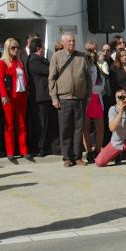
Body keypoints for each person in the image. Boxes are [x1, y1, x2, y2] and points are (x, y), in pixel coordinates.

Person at [49, 32, 92, 167]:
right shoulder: (56, 57)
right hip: (64, 99)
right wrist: (54, 97)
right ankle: (67, 157)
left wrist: (88, 95)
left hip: (80, 98)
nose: (72, 43)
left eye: (73, 41)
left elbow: (88, 78)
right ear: (63, 43)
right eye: (69, 41)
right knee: (65, 129)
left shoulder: (81, 57)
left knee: (79, 128)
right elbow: (52, 78)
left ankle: (78, 156)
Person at [0, 38, 32, 164]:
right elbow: (0, 80)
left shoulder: (19, 62)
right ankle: (10, 151)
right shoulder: (2, 63)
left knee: (22, 124)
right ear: (7, 48)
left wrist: (27, 92)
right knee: (9, 125)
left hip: (21, 96)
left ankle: (24, 150)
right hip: (10, 97)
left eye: (17, 47)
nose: (16, 49)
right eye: (13, 47)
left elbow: (24, 78)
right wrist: (4, 95)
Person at [95, 88, 126, 167]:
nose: (121, 99)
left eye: (123, 96)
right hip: (116, 142)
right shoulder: (113, 109)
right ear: (115, 99)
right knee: (99, 162)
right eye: (118, 97)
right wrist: (120, 112)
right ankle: (117, 154)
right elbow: (112, 128)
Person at [26, 38, 53, 157]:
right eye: (43, 48)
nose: (44, 50)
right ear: (38, 48)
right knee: (41, 123)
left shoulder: (40, 59)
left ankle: (44, 146)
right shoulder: (34, 60)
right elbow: (50, 71)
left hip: (43, 96)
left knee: (45, 122)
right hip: (40, 97)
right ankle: (40, 147)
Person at [82, 42, 106, 163]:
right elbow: (86, 84)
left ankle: (97, 150)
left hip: (96, 99)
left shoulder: (98, 66)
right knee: (85, 127)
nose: (91, 53)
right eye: (89, 50)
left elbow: (101, 85)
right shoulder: (82, 67)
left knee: (100, 127)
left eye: (93, 51)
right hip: (86, 99)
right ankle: (89, 152)